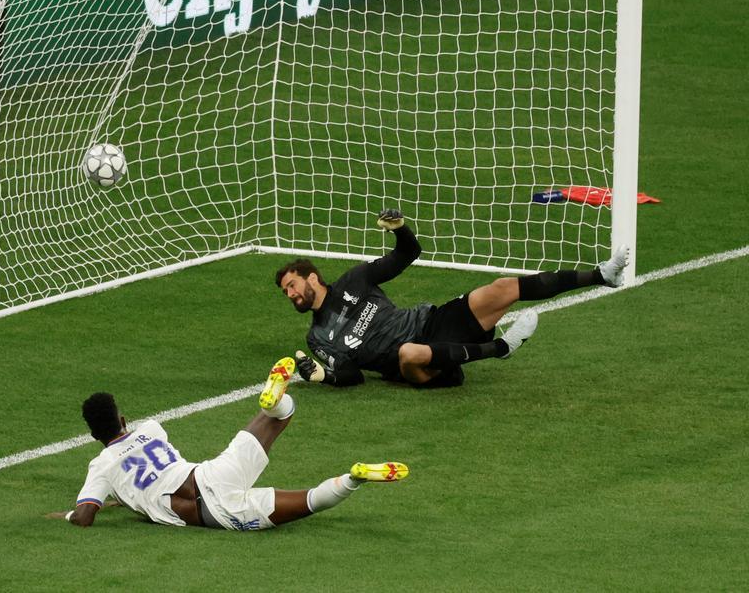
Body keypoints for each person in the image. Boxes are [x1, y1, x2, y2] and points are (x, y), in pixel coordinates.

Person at [276, 209, 630, 388]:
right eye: (286, 292)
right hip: (413, 367)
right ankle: (501, 349)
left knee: (502, 287)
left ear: (312, 278)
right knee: (408, 351)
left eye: (292, 285)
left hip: (431, 323)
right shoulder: (317, 337)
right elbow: (352, 375)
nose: (291, 294)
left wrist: (400, 229)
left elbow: (409, 252)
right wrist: (322, 374)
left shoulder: (356, 278)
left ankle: (601, 275)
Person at [49, 357, 408, 531]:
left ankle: (354, 478)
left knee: (310, 501)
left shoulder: (102, 466)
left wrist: (71, 513)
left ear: (94, 436)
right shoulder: (152, 429)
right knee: (279, 417)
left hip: (218, 512)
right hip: (213, 473)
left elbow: (84, 518)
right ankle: (273, 400)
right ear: (124, 420)